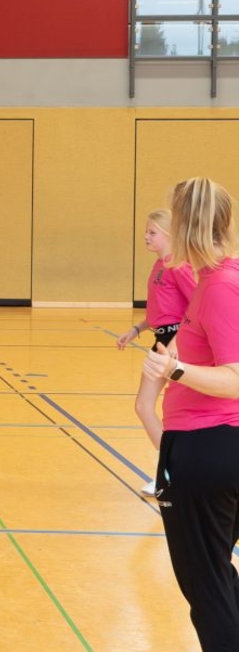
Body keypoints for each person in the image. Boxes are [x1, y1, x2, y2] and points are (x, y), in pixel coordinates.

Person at [142, 177, 239, 652]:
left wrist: (174, 370)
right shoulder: (211, 279)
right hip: (201, 445)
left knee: (207, 587)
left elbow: (235, 375)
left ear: (188, 224)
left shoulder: (222, 285)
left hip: (209, 447)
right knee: (215, 576)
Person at [115, 209, 196, 496]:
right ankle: (170, 471)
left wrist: (175, 348)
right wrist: (136, 330)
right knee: (143, 406)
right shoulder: (158, 265)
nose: (145, 237)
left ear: (169, 235)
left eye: (152, 232)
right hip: (162, 340)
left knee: (172, 412)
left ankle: (172, 474)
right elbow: (161, 310)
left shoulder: (181, 267)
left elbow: (197, 308)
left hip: (177, 343)